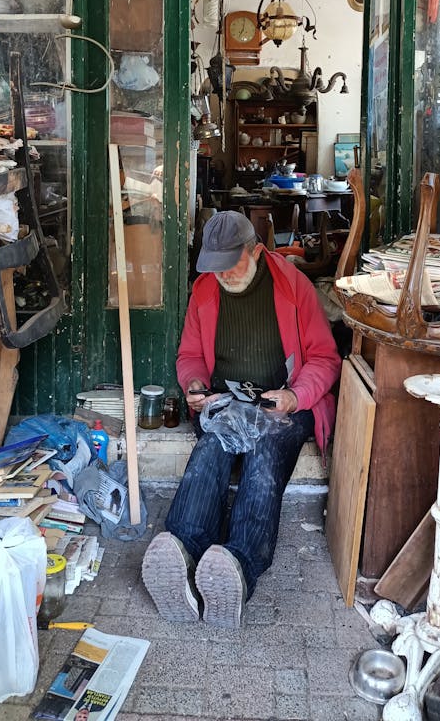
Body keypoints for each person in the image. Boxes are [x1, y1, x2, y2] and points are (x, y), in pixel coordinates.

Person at [142, 211, 341, 628]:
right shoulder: (204, 292)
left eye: (232, 264)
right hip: (226, 401)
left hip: (281, 404)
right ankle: (183, 550)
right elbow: (190, 357)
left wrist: (294, 396)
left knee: (265, 456)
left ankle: (239, 568)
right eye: (215, 268)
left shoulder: (293, 286)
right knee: (211, 445)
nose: (224, 275)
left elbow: (325, 358)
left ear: (255, 251)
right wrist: (195, 385)